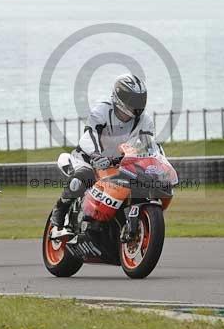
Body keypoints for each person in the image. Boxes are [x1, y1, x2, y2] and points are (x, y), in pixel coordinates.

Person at [50, 74, 154, 235]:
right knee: (82, 177)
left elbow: (149, 143)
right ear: (121, 97)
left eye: (140, 99)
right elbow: (90, 134)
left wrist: (155, 160)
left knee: (134, 186)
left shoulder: (144, 120)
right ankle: (59, 215)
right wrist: (97, 156)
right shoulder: (102, 110)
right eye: (134, 99)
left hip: (119, 164)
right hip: (88, 158)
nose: (138, 105)